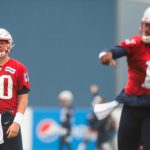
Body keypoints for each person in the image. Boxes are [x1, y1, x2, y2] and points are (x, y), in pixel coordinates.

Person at [98, 7, 150, 150]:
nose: (145, 29)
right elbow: (115, 50)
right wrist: (106, 55)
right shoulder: (136, 43)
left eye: (149, 26)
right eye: (145, 24)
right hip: (132, 106)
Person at [0, 28, 30, 150]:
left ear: (10, 44)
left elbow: (23, 98)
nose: (1, 45)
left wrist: (17, 122)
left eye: (4, 42)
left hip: (8, 119)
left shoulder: (18, 67)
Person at [78, 84, 116, 150]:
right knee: (91, 141)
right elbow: (96, 99)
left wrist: (93, 127)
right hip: (99, 132)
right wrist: (94, 93)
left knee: (105, 145)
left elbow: (100, 124)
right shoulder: (95, 113)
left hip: (105, 134)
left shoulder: (105, 113)